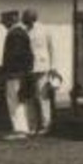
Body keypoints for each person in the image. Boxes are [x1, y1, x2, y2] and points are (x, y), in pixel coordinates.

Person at [0, 9, 35, 141]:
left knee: (15, 100)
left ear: (13, 18)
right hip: (21, 72)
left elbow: (15, 55)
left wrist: (8, 71)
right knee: (20, 100)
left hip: (15, 73)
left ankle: (20, 129)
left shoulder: (15, 34)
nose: (3, 23)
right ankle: (24, 127)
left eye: (5, 20)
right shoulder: (21, 33)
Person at [21, 8, 56, 136]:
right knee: (29, 98)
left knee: (43, 97)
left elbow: (51, 48)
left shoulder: (44, 29)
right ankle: (32, 126)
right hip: (27, 68)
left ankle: (46, 125)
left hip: (42, 67)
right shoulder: (23, 31)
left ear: (33, 18)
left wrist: (53, 67)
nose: (25, 21)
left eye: (27, 19)